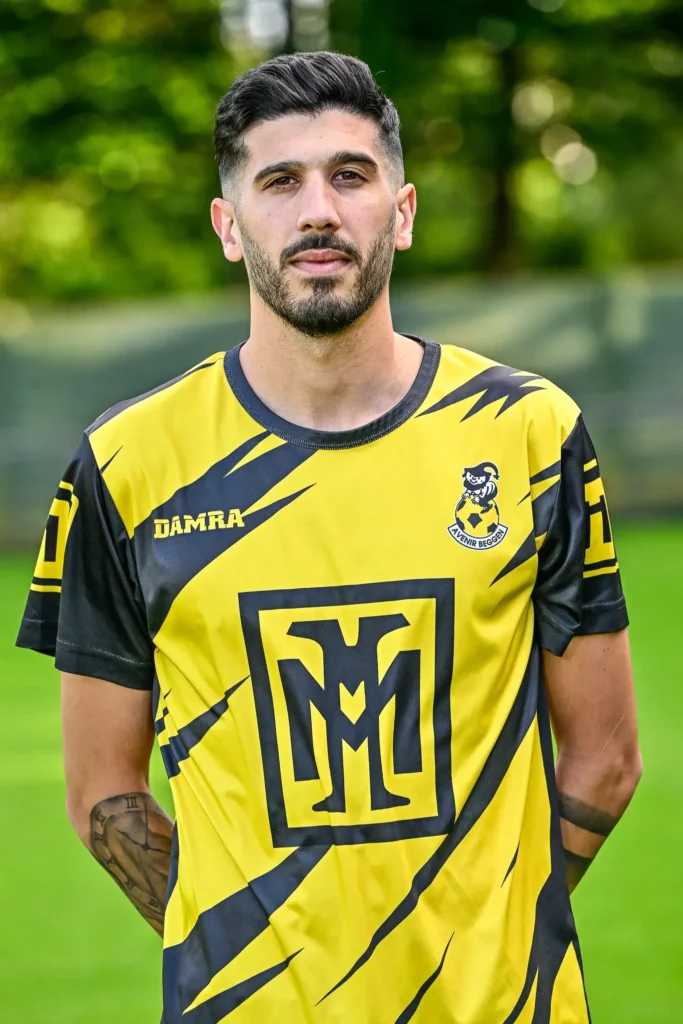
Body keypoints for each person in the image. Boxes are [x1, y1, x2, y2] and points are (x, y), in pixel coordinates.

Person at [16, 51, 642, 1024]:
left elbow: (603, 754)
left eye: (349, 176)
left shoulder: (527, 434)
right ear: (229, 227)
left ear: (400, 210)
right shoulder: (124, 466)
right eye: (279, 181)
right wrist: (244, 956)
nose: (318, 210)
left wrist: (492, 924)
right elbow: (103, 792)